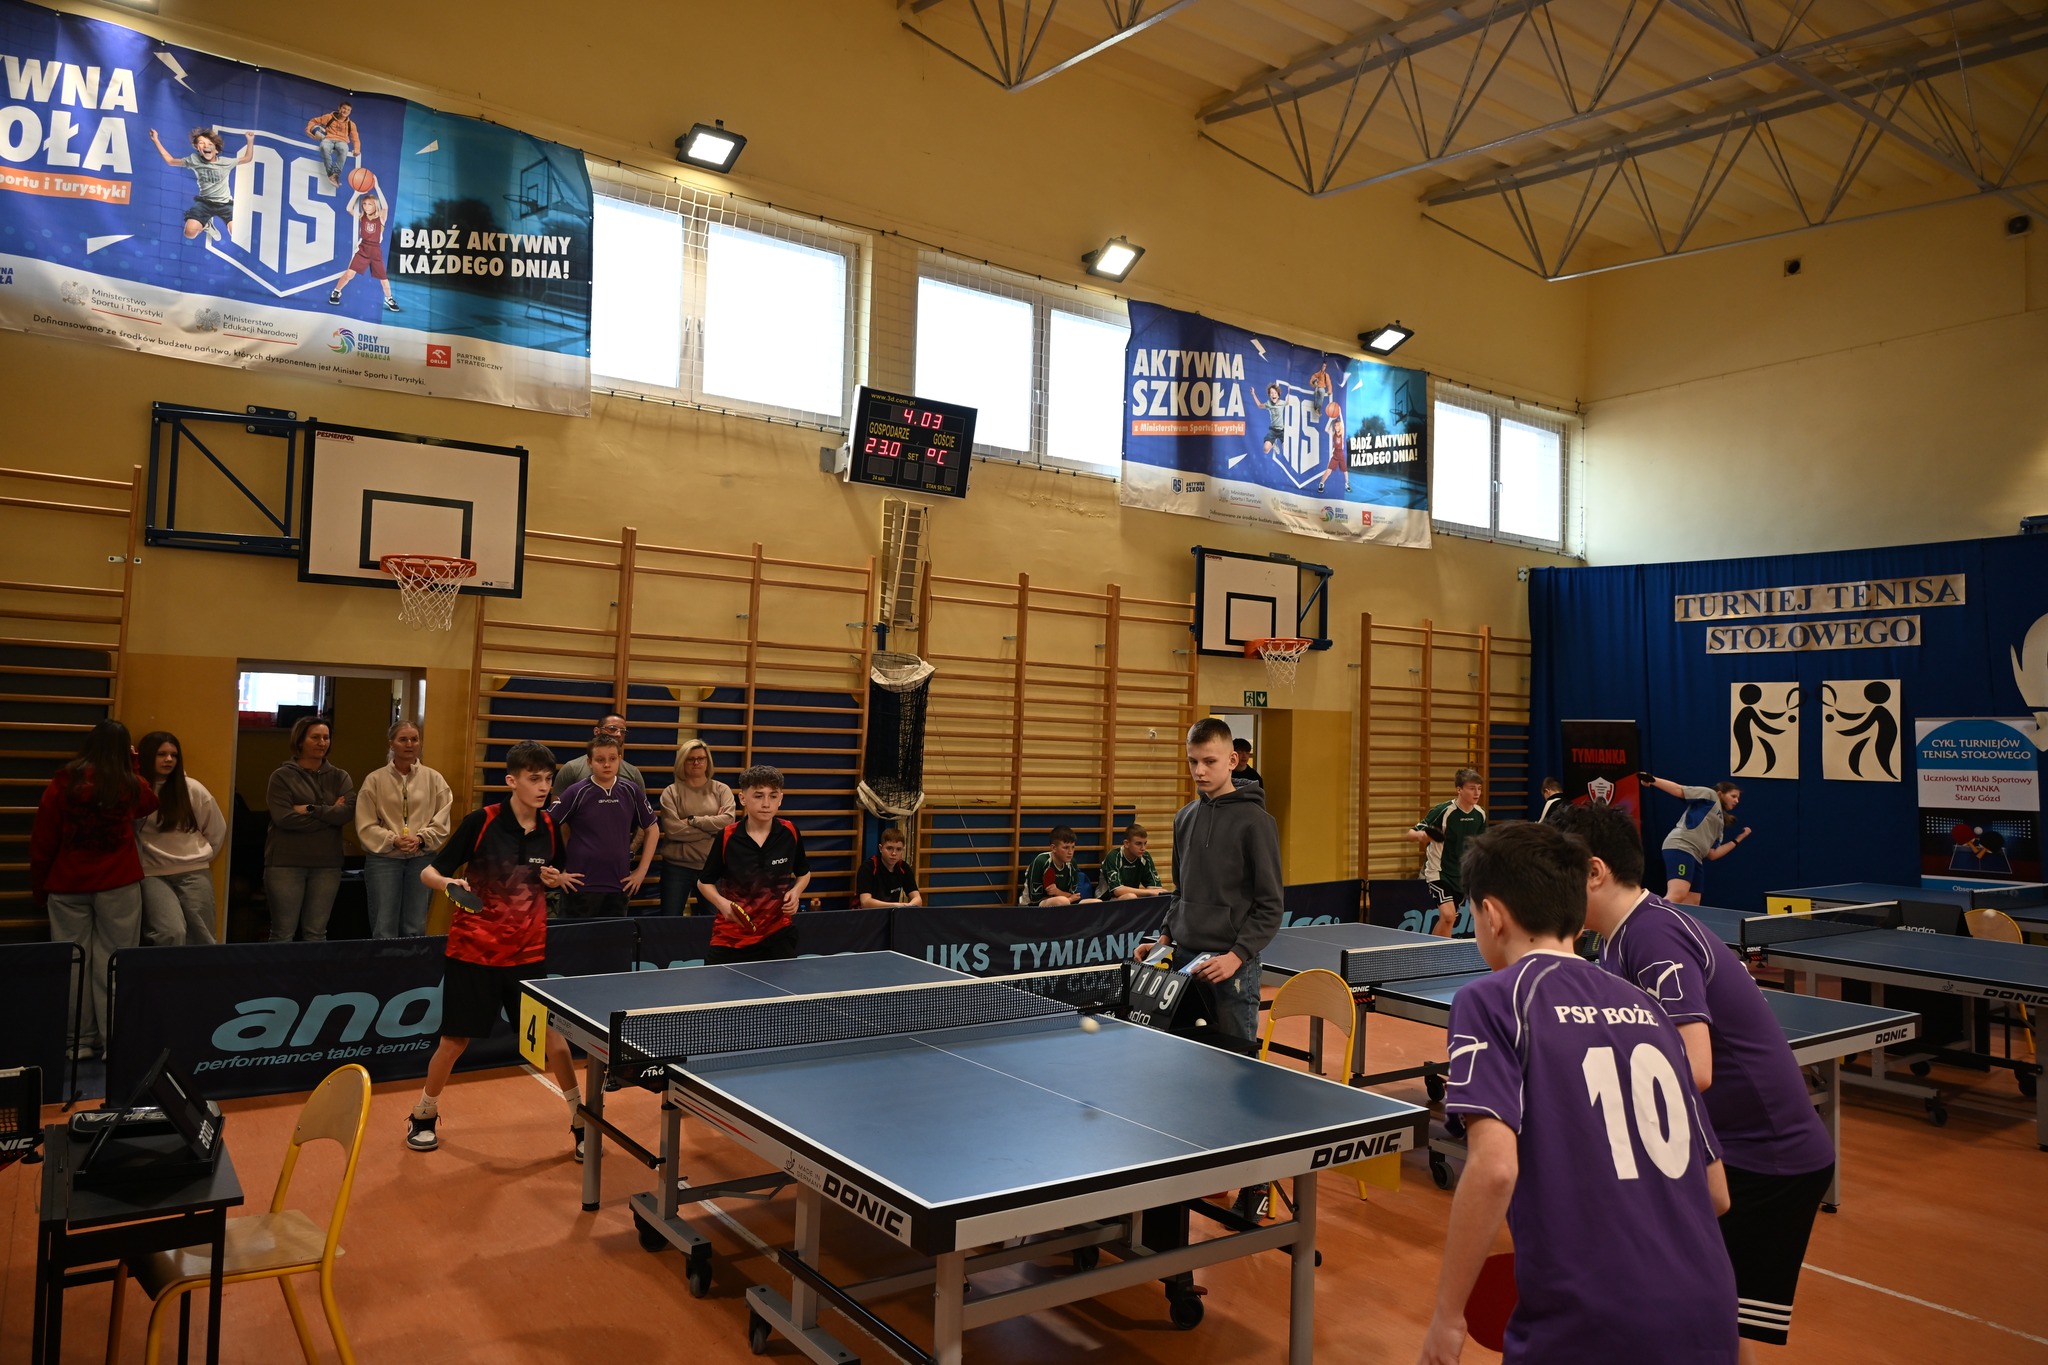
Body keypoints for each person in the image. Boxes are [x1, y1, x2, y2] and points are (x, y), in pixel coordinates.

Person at [1415, 821, 1738, 1365]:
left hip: (1590, 1318)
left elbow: (1495, 1170)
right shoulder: (1651, 1010)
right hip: (1706, 1309)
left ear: (1492, 915)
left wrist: (1448, 1316)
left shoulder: (1491, 1000)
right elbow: (1716, 1194)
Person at [1555, 802, 1835, 1361]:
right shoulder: (1617, 938)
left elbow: (1695, 1068)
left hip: (1768, 1159)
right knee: (1706, 1315)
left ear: (1593, 871)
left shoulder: (1652, 936)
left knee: (1701, 1317)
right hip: (1733, 1149)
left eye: (1556, 874)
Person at [412, 741, 584, 1157]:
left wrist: (551, 878)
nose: (543, 787)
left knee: (553, 1040)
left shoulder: (548, 827)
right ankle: (423, 1114)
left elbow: (541, 871)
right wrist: (449, 884)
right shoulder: (482, 822)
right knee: (455, 1042)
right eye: (534, 779)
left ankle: (582, 1120)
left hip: (527, 954)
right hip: (474, 952)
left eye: (547, 779)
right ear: (512, 781)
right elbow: (428, 871)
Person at [30, 720, 157, 1058]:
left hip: (67, 884)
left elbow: (43, 839)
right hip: (118, 884)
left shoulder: (62, 783)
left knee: (74, 963)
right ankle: (113, 1041)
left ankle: (78, 1042)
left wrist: (39, 886)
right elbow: (150, 802)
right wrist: (132, 762)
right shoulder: (129, 785)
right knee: (113, 963)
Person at [697, 765, 811, 962]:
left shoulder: (790, 832)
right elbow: (704, 882)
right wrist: (721, 903)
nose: (766, 803)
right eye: (758, 796)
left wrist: (796, 892)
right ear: (743, 799)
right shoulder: (727, 837)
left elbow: (804, 872)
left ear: (781, 799)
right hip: (733, 936)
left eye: (773, 796)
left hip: (777, 933)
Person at [356, 720, 453, 938]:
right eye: (403, 739)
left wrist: (421, 838)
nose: (409, 744)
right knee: (384, 926)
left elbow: (442, 818)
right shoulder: (375, 780)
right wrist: (393, 839)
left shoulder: (434, 779)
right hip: (384, 859)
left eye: (414, 739)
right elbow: (365, 823)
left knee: (415, 926)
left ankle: (412, 970)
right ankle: (385, 970)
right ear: (391, 743)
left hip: (422, 857)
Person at [548, 734, 658, 917]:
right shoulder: (576, 791)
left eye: (612, 759)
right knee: (576, 943)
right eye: (600, 760)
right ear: (590, 762)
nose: (607, 764)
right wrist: (558, 872)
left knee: (612, 944)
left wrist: (641, 871)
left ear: (620, 760)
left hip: (619, 885)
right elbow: (547, 826)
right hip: (580, 886)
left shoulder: (631, 790)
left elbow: (652, 829)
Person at [265, 716, 354, 942]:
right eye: (315, 737)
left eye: (326, 738)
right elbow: (284, 818)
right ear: (300, 741)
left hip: (327, 865)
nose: (322, 742)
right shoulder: (281, 776)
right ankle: (278, 978)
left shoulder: (339, 776)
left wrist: (311, 809)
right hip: (286, 864)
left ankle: (312, 979)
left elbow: (346, 813)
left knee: (316, 933)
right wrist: (329, 812)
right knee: (283, 932)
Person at [135, 730, 224, 947]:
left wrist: (201, 857)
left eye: (173, 755)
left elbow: (216, 830)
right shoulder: (137, 790)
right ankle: (166, 980)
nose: (168, 760)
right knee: (169, 932)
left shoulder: (192, 788)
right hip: (153, 873)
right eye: (161, 754)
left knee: (202, 936)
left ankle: (199, 980)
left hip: (193, 870)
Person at [1642, 774, 1749, 905]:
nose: (1737, 801)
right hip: (1681, 846)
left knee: (1693, 902)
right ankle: (1649, 920)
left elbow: (1712, 854)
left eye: (1738, 798)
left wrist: (1738, 839)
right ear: (1721, 793)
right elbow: (1679, 790)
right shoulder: (1710, 795)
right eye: (1733, 796)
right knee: (1678, 894)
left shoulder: (1720, 824)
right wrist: (1653, 780)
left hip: (1696, 857)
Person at [657, 738, 735, 915]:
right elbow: (673, 831)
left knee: (712, 923)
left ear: (708, 761)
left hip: (711, 868)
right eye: (691, 759)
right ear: (682, 762)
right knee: (670, 922)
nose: (696, 762)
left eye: (701, 758)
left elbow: (728, 823)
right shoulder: (671, 792)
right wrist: (712, 828)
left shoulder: (722, 790)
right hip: (676, 868)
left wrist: (692, 820)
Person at [1405, 768, 1486, 937]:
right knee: (1448, 915)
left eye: (1479, 788)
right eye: (1472, 788)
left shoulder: (1480, 815)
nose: (1477, 792)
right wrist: (1423, 835)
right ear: (1459, 789)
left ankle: (1434, 954)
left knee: (1449, 918)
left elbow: (1479, 844)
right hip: (1438, 872)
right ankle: (1440, 957)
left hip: (1461, 875)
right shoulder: (1444, 811)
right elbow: (1411, 834)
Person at [147, 125, 254, 243]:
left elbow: (247, 158)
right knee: (189, 233)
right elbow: (171, 161)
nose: (206, 145)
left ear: (216, 150)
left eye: (209, 143)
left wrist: (250, 140)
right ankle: (207, 225)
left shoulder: (226, 162)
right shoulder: (194, 160)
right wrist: (156, 140)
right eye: (202, 143)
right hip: (204, 203)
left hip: (225, 204)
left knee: (237, 234)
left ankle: (215, 223)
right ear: (198, 148)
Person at [327, 186, 401, 312]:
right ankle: (336, 291)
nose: (366, 207)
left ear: (375, 206)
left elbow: (386, 207)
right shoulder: (362, 217)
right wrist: (356, 193)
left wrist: (377, 186)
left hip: (375, 250)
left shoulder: (381, 218)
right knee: (349, 274)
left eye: (370, 204)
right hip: (363, 248)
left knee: (384, 278)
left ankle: (389, 298)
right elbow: (348, 208)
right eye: (364, 204)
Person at [555, 714, 645, 790]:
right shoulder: (571, 769)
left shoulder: (633, 773)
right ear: (597, 731)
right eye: (612, 729)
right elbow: (557, 808)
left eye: (623, 731)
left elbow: (641, 809)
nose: (618, 734)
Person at [1022, 826, 1097, 906]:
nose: (1070, 852)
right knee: (1063, 901)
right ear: (1053, 848)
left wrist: (1057, 892)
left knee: (1096, 902)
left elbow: (1075, 896)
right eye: (1066, 848)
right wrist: (1068, 899)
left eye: (1073, 847)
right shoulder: (1041, 861)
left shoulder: (1072, 863)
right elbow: (1035, 898)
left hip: (1066, 902)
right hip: (1033, 906)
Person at [856, 825, 921, 907]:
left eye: (898, 849)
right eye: (889, 848)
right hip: (868, 916)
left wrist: (908, 906)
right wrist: (896, 906)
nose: (894, 853)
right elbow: (865, 902)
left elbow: (918, 899)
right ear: (880, 848)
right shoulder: (868, 867)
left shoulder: (903, 867)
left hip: (892, 914)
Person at [1098, 823, 1166, 898]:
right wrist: (1149, 892)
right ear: (1126, 843)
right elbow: (1117, 890)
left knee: (1161, 896)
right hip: (1107, 899)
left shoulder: (1145, 857)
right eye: (1138, 844)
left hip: (1131, 898)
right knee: (1131, 896)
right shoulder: (1114, 856)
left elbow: (1155, 888)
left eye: (1145, 843)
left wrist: (1156, 892)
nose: (1143, 848)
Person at [304, 99, 360, 187]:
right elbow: (313, 121)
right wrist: (310, 131)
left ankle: (336, 174)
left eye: (348, 110)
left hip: (342, 141)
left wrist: (357, 149)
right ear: (339, 108)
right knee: (324, 147)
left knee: (344, 149)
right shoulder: (329, 117)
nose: (346, 111)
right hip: (328, 138)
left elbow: (355, 138)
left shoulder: (351, 124)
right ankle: (332, 175)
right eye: (344, 108)